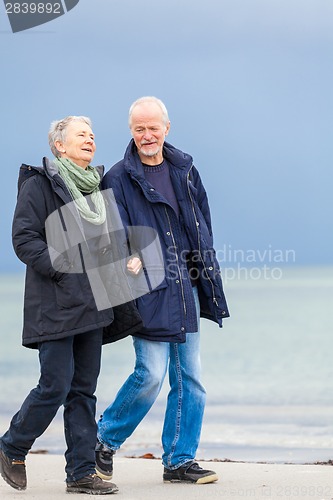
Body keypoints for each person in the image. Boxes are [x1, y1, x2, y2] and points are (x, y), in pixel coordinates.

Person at [0, 115, 140, 494]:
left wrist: (126, 260)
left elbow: (106, 245)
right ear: (59, 145)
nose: (90, 139)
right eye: (82, 134)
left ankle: (80, 474)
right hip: (56, 304)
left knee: (83, 392)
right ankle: (12, 445)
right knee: (55, 386)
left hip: (94, 307)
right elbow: (23, 238)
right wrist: (59, 268)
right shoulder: (39, 185)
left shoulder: (97, 191)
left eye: (92, 134)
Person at [96, 97, 230, 484]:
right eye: (139, 129)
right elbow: (110, 235)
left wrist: (202, 265)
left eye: (153, 127)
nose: (147, 135)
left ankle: (179, 460)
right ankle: (104, 440)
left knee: (191, 378)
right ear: (131, 132)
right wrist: (128, 257)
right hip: (147, 287)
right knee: (151, 373)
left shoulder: (185, 169)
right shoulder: (118, 178)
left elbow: (201, 219)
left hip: (185, 285)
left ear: (166, 128)